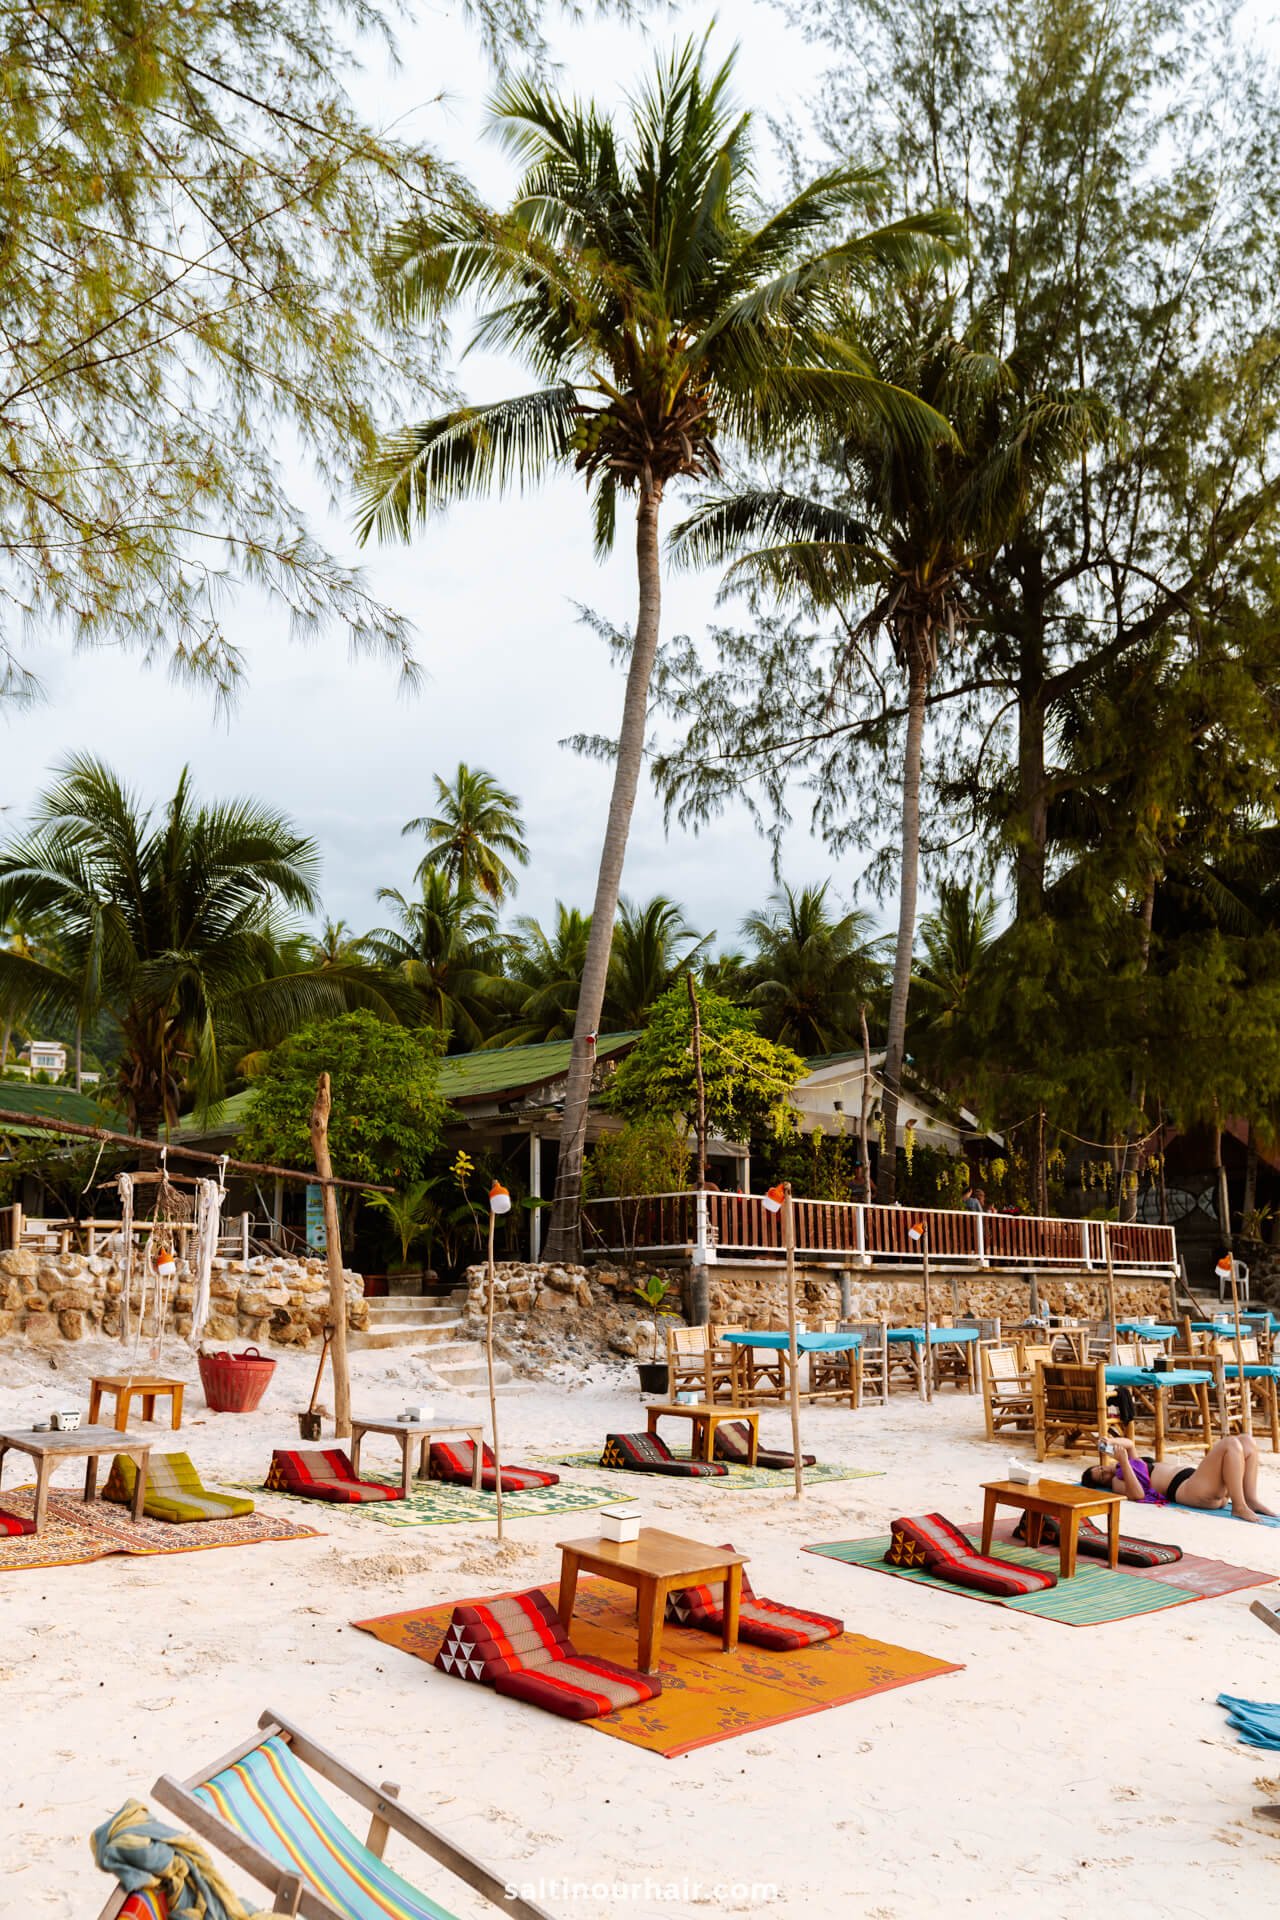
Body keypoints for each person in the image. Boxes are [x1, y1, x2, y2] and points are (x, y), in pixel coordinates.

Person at [1081, 1432, 1276, 1522]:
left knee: (1246, 1441)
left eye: (1101, 1468)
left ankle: (1249, 1499)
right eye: (1101, 1477)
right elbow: (1137, 1494)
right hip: (1190, 1490)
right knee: (1230, 1444)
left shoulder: (1132, 1463)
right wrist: (1123, 1462)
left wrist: (1110, 1441)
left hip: (1201, 1482)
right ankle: (1239, 1506)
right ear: (1103, 1485)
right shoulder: (1118, 1482)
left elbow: (1130, 1444)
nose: (1105, 1472)